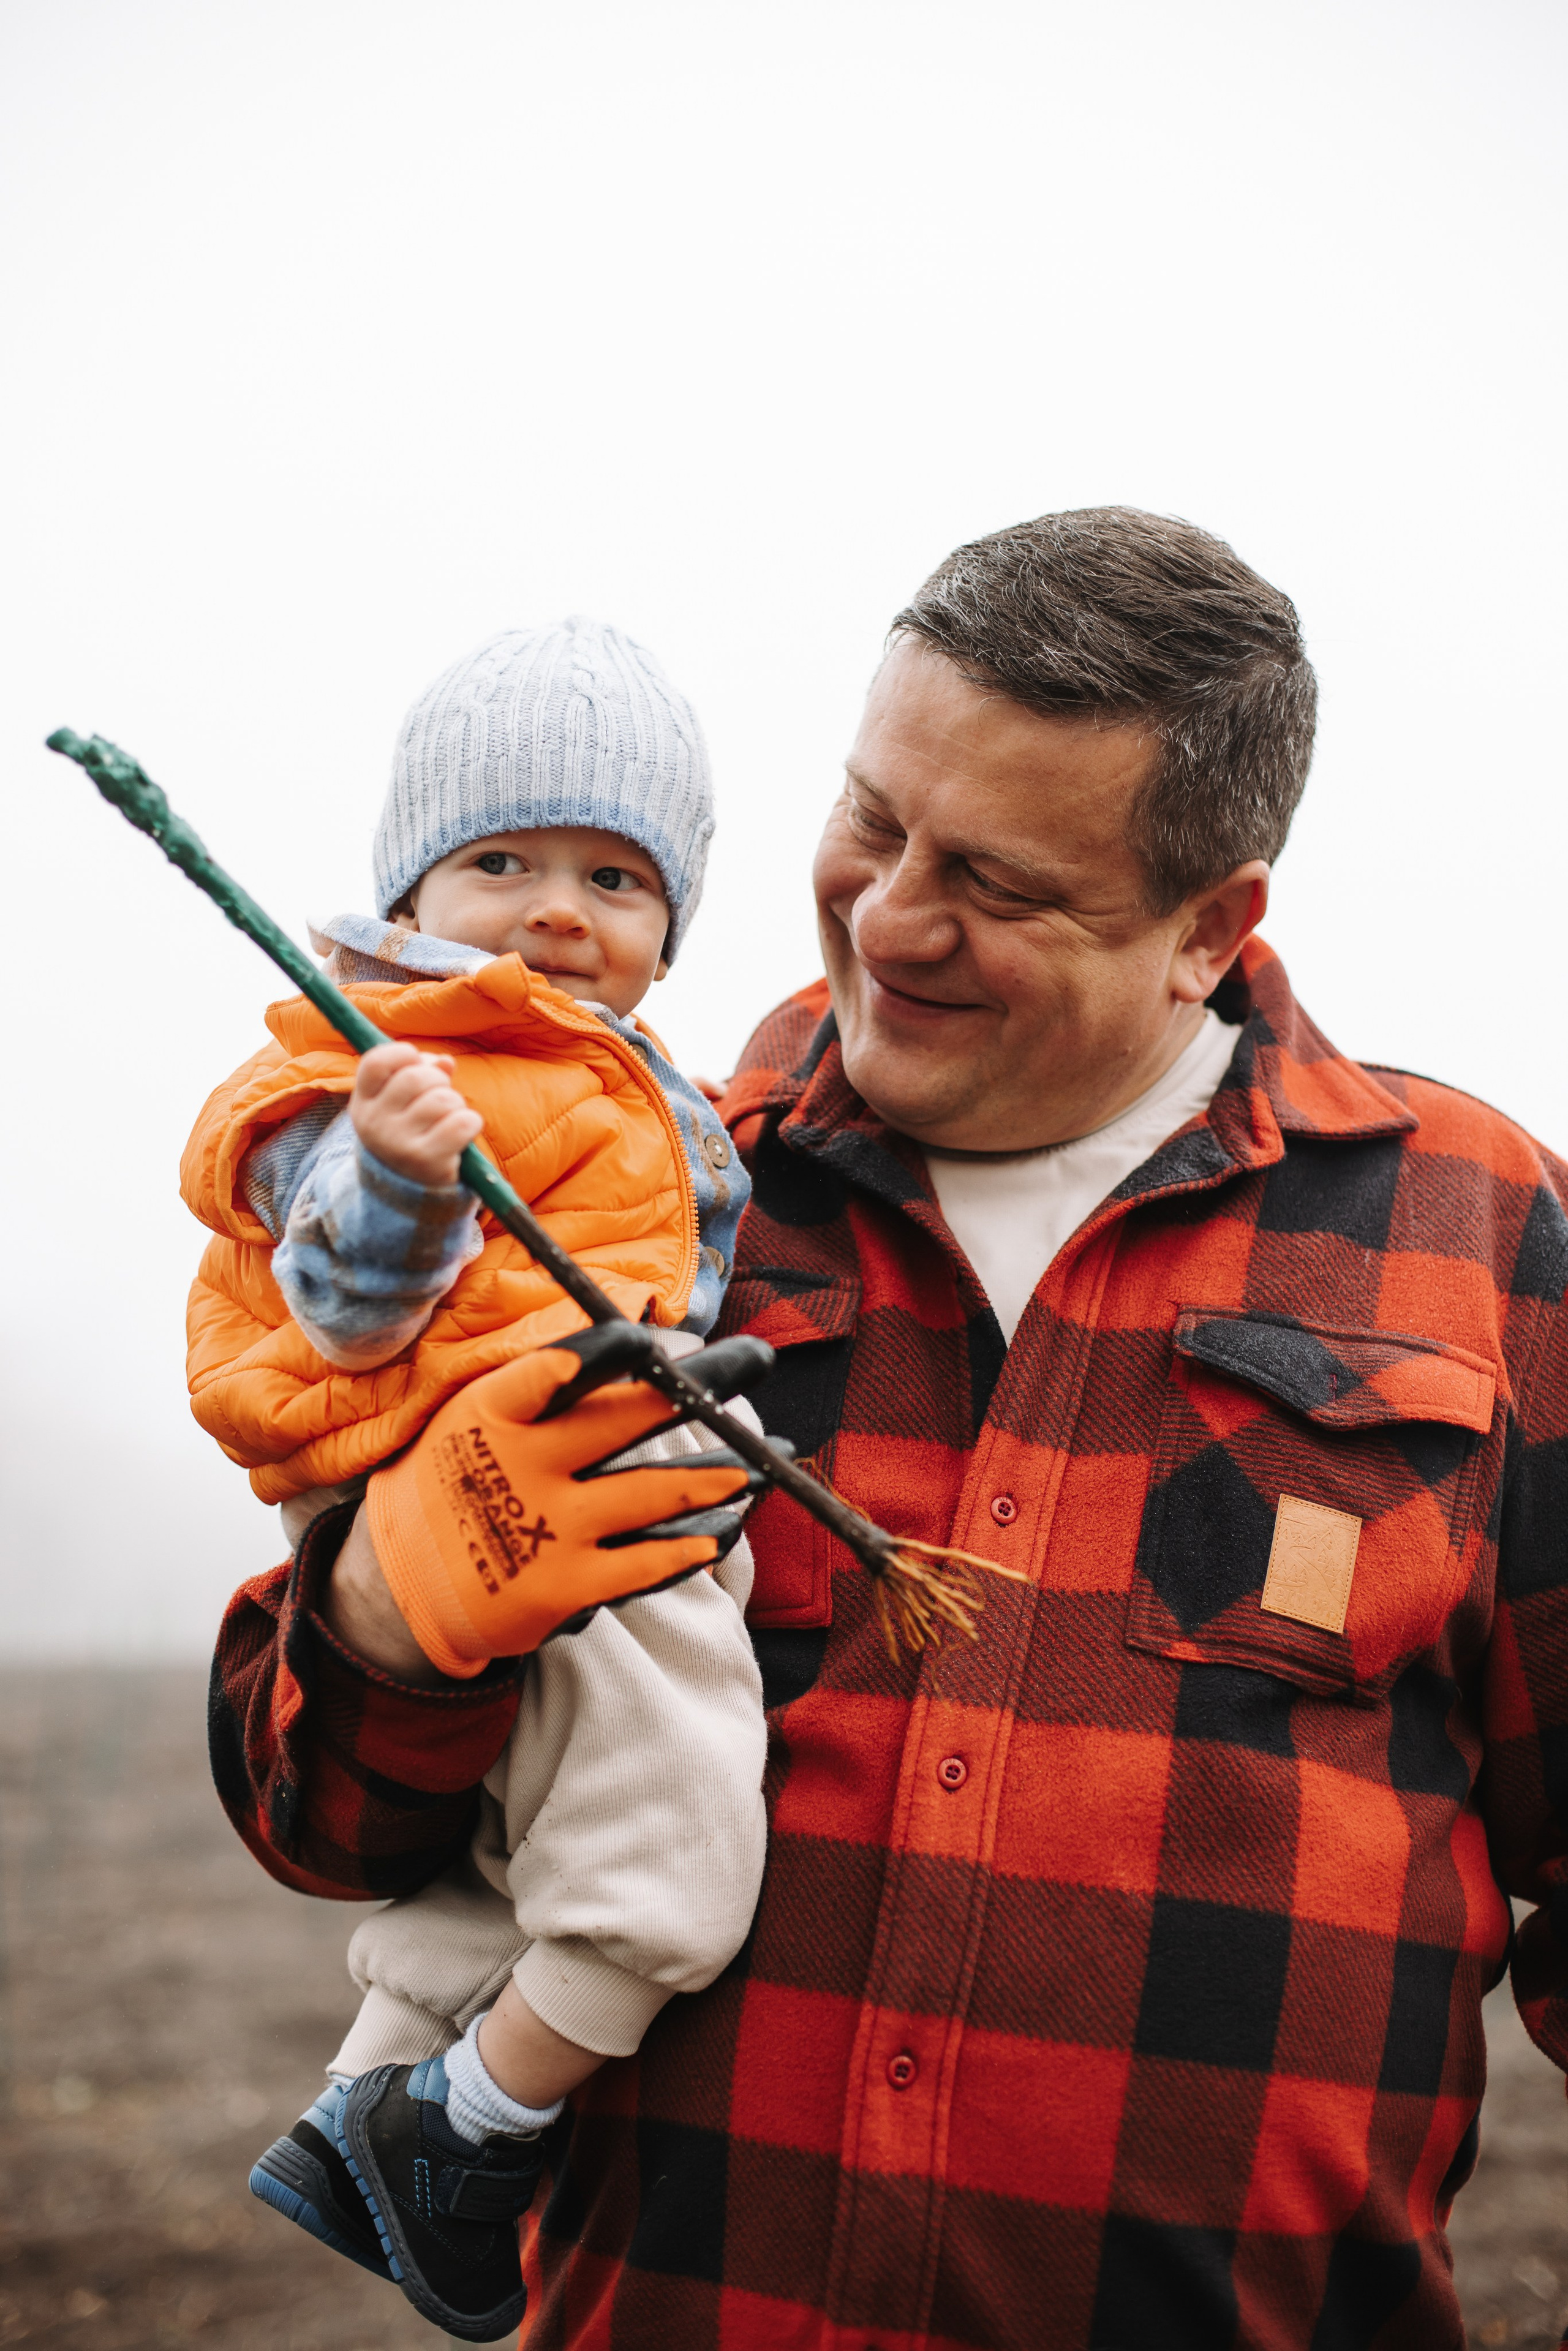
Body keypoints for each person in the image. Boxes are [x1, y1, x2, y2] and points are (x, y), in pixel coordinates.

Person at [210, 508, 1568, 2350]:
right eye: (872, 821)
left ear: (1208, 926)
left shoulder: (1476, 1237)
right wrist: (388, 1612)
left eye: (1001, 886)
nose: (891, 916)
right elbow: (327, 1823)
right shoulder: (645, 1209)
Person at [186, 619, 770, 2341]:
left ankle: (358, 2108)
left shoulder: (613, 1070)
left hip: (570, 1472)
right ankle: (469, 2129)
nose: (559, 909)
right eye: (500, 860)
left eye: (614, 875)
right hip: (516, 1485)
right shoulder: (384, 1074)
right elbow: (344, 1300)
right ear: (409, 888)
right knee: (672, 1861)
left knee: (498, 1863)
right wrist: (402, 1174)